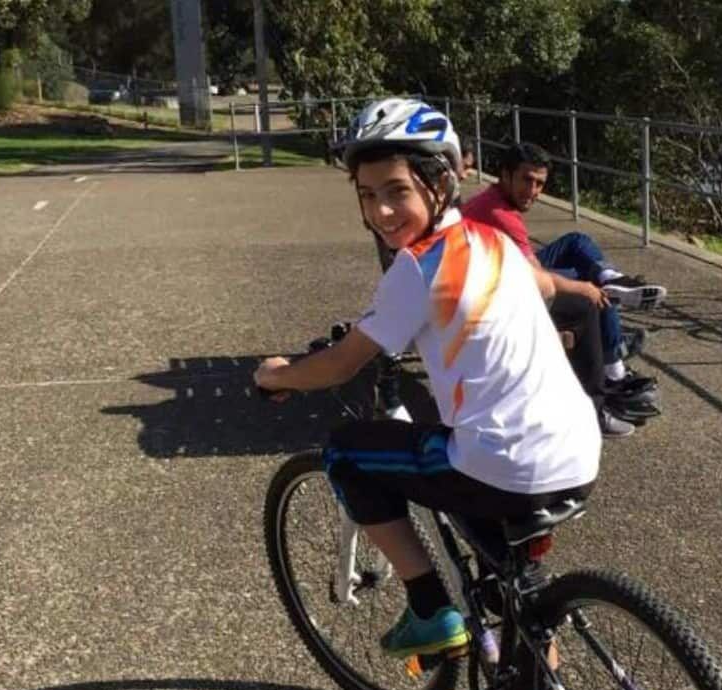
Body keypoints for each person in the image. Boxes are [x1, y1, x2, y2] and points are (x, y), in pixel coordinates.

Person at [255, 98, 599, 660]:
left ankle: (430, 609)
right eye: (368, 196)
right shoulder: (496, 244)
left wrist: (279, 375)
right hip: (576, 452)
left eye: (397, 191)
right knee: (514, 585)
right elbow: (536, 292)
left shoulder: (417, 268)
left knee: (346, 453)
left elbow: (343, 363)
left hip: (503, 463)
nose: (381, 212)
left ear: (441, 183)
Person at [460, 142, 663, 415]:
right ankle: (613, 371)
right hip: (494, 293)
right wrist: (583, 287)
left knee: (576, 242)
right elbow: (538, 281)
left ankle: (611, 277)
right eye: (526, 180)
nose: (532, 191)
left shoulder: (490, 199)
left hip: (495, 273)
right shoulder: (500, 215)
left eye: (539, 184)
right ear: (505, 175)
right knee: (589, 290)